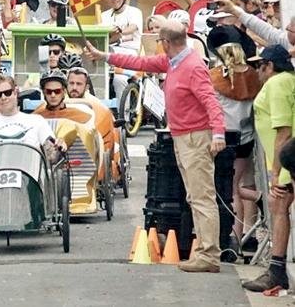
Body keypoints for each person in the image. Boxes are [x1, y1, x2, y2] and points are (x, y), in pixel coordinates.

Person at [85, 20, 225, 273]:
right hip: (186, 136)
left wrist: (217, 133)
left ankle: (209, 254)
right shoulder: (176, 62)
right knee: (196, 197)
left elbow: (210, 101)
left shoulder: (191, 66)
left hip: (194, 136)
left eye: (160, 41)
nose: (158, 46)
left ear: (167, 42)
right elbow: (141, 63)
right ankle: (206, 251)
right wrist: (105, 56)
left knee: (202, 197)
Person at [242, 45, 295, 292]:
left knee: (279, 208)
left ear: (270, 66)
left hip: (287, 161)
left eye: (258, 66)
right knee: (279, 209)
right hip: (285, 160)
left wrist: (276, 172)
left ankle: (276, 270)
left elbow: (283, 130)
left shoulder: (276, 84)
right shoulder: (283, 82)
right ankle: (276, 268)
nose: (256, 71)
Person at [206, 27, 262, 251]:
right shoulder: (254, 75)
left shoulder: (216, 77)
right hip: (247, 137)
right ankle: (246, 234)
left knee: (229, 189)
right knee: (242, 183)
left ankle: (233, 237)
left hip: (224, 136)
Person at [0, 74, 64, 159]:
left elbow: (52, 157)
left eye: (7, 92)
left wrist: (59, 146)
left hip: (30, 175)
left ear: (15, 92)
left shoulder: (37, 121)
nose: (3, 97)